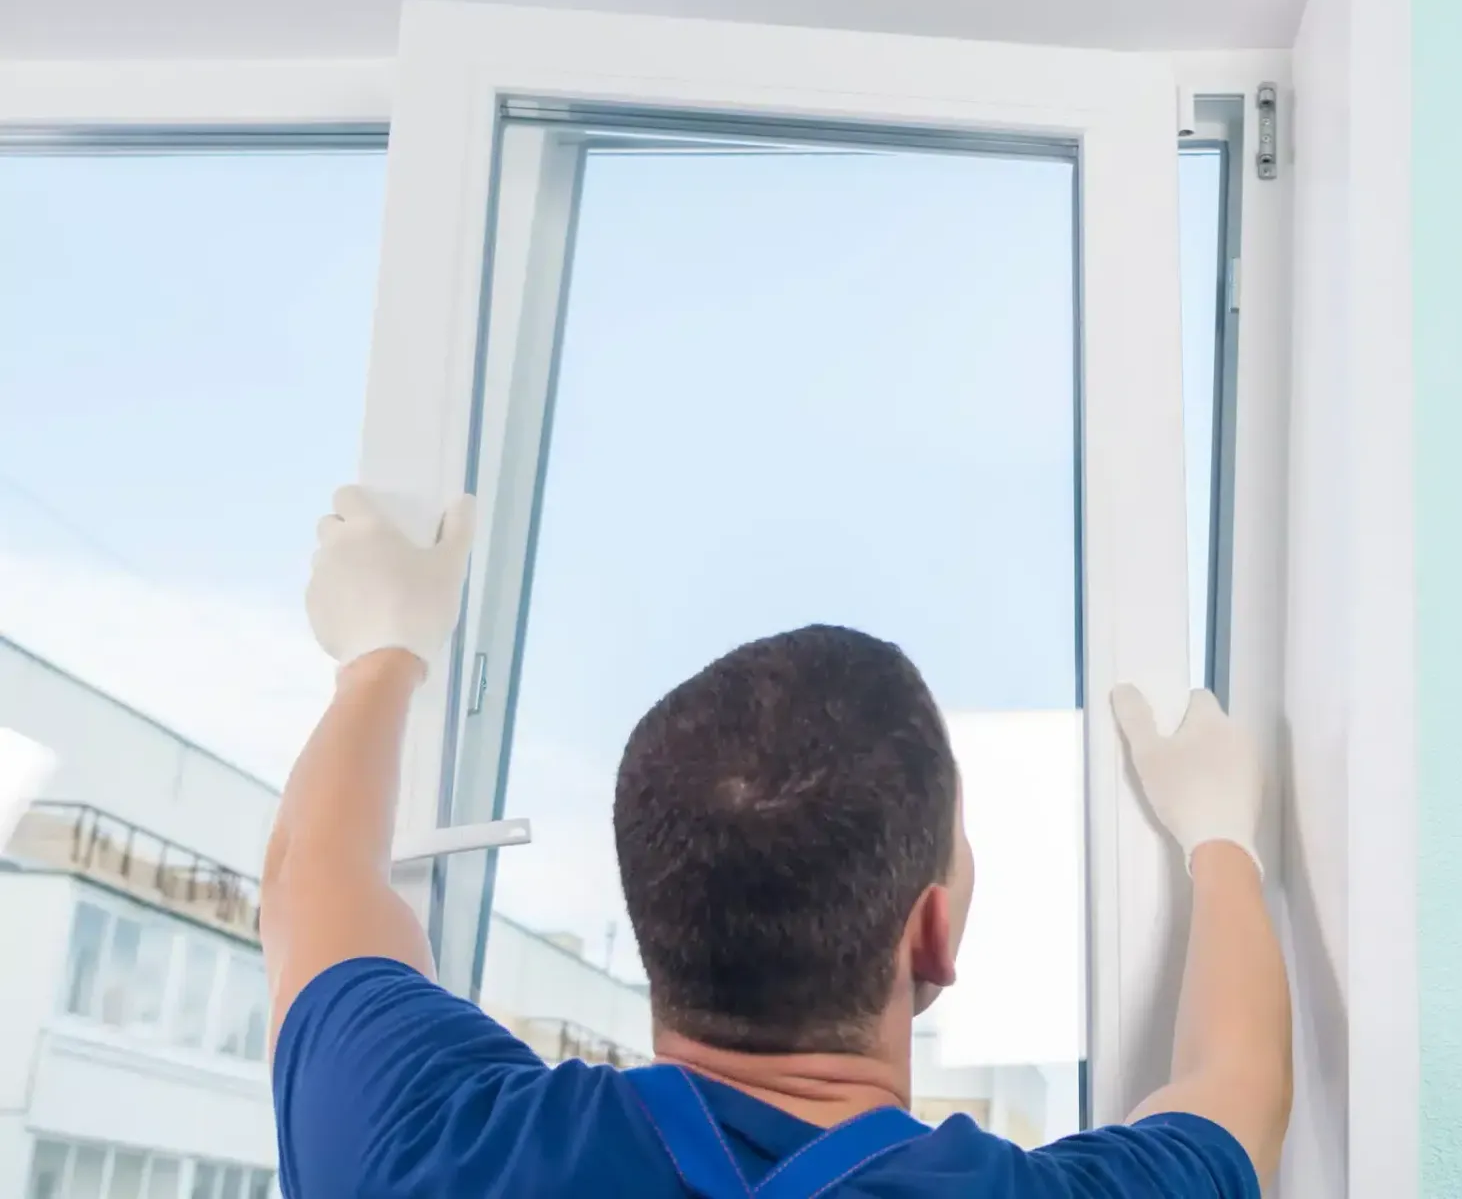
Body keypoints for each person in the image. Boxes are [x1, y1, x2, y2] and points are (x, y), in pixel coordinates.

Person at [264, 486, 1292, 1197]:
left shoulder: (430, 1149)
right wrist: (1216, 836)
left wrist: (381, 655)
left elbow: (312, 879)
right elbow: (1238, 1078)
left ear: (658, 906)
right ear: (930, 931)